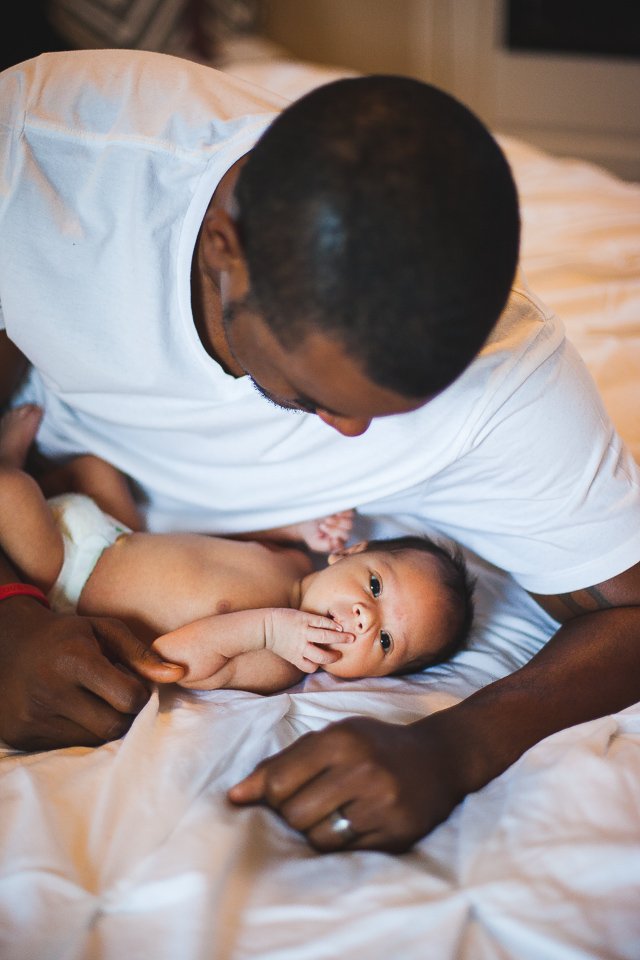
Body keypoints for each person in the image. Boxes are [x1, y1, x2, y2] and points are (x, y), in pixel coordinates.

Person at [1, 50, 639, 855]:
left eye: (392, 408)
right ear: (222, 254)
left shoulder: (511, 381)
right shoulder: (42, 160)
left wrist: (458, 744)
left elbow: (632, 612)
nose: (345, 436)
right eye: (314, 393)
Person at [0, 404, 474, 688]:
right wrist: (300, 529)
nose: (367, 620)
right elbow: (231, 543)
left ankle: (10, 464)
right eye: (374, 586)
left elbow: (174, 661)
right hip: (120, 534)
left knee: (11, 494)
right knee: (95, 468)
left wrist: (269, 631)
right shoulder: (291, 564)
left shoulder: (284, 661)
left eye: (386, 642)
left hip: (71, 579)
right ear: (348, 552)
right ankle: (37, 482)